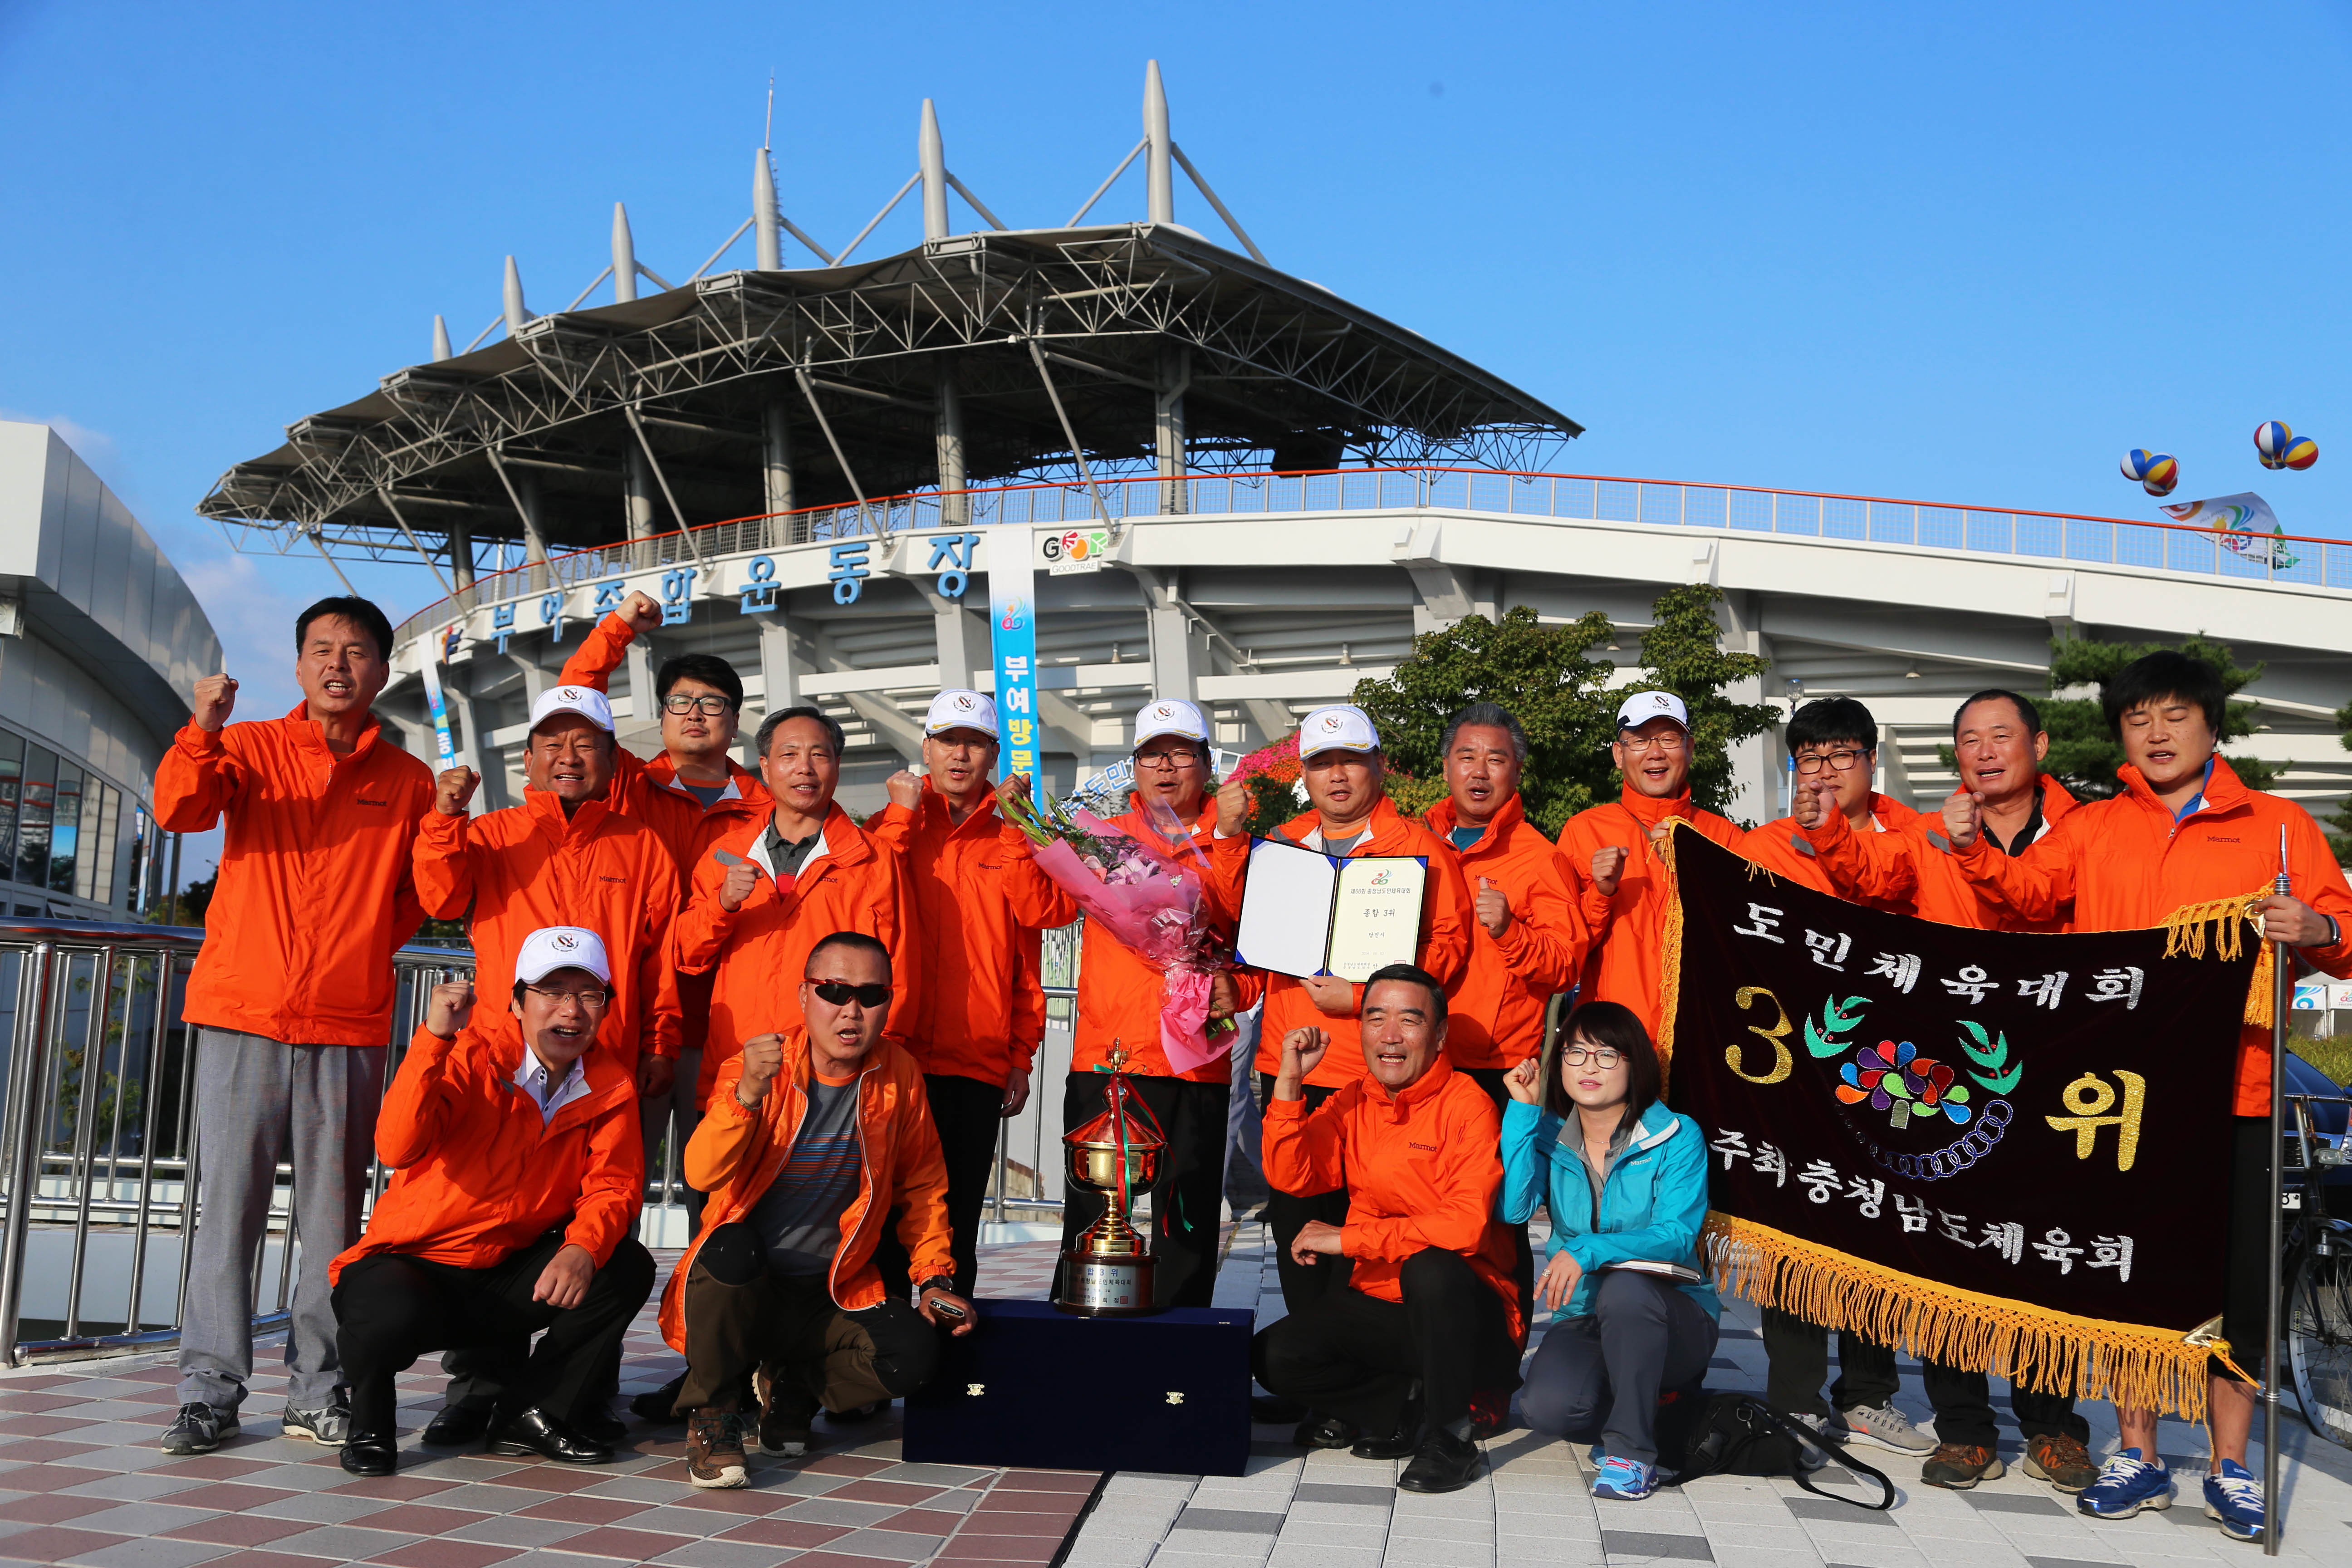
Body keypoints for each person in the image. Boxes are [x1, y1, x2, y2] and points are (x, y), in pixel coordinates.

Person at [1941, 650, 2352, 1541]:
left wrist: (2314, 927)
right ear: (2122, 731)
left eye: (2175, 716)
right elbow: (2028, 898)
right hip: (2120, 1102)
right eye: (2140, 719)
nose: (2157, 733)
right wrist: (1975, 850)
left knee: (2236, 1292)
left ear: (2210, 726)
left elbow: (2342, 938)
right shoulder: (2094, 828)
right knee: (2131, 1280)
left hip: (2236, 1095)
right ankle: (2138, 1456)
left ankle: (2233, 1467)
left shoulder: (2278, 828)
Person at [151, 596, 434, 1455]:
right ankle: (210, 1388)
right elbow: (180, 812)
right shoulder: (249, 747)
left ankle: (320, 1387)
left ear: (383, 670)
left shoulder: (409, 779)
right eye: (320, 650)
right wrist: (200, 729)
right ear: (299, 664)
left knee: (333, 1220)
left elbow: (418, 897)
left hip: (345, 1024)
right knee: (227, 1211)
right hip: (243, 1012)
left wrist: (355, 953)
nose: (337, 665)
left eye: (355, 652)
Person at [1792, 690, 2092, 1493]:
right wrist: (1824, 824)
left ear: (2038, 742)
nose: (1984, 752)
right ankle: (1962, 1427)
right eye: (1967, 740)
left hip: (2054, 1076)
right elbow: (1865, 875)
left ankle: (2053, 1425)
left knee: (2039, 1256)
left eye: (2000, 736)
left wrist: (1972, 855)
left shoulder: (2083, 831)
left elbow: (2043, 902)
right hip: (1952, 1081)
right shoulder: (1926, 831)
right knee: (1947, 1245)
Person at [410, 682, 681, 1441]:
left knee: (601, 1219)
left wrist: (659, 1039)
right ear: (527, 757)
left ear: (608, 757)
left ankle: (574, 1388)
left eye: (585, 742)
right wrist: (442, 819)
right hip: (506, 1064)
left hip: (605, 1072)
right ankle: (477, 1387)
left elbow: (659, 960)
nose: (569, 756)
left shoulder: (642, 844)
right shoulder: (491, 834)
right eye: (552, 743)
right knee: (492, 1220)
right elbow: (438, 891)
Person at [330, 928, 656, 1475]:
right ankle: (370, 1426)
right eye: (552, 992)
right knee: (379, 1305)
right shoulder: (467, 1057)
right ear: (516, 1001)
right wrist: (434, 1039)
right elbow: (395, 1146)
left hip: (507, 1271)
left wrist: (582, 1248)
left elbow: (615, 1186)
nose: (571, 1010)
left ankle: (530, 1412)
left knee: (623, 1265)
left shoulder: (610, 1084)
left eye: (589, 994)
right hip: (418, 1263)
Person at [660, 933, 974, 1487]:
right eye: (834, 991)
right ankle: (713, 1414)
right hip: (747, 1285)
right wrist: (748, 1096)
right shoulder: (759, 1066)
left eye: (872, 995)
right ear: (804, 997)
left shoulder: (899, 1074)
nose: (852, 1010)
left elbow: (924, 1186)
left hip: (831, 1290)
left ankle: (793, 1386)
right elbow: (702, 1174)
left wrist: (933, 1279)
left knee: (915, 1355)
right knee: (729, 1247)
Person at [1212, 704, 1473, 1370]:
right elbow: (1252, 949)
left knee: (1372, 1225)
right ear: (1304, 773)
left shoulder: (1418, 846)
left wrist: (1361, 1000)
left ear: (1378, 766)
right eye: (1322, 763)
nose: (1337, 776)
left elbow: (1450, 948)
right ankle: (1320, 1367)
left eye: (1351, 761)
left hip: (1382, 1073)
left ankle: (1383, 1366)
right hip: (1294, 1067)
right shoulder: (1281, 845)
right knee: (1297, 1229)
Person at [1737, 697, 1936, 1460]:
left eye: (1838, 757)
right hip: (1792, 1065)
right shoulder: (1767, 844)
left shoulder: (1916, 838)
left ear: (1869, 761)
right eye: (1807, 760)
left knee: (1874, 1227)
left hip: (1891, 1071)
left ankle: (1866, 1396)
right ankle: (1792, 1395)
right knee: (1792, 1225)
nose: (1821, 773)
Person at [1016, 699, 1254, 1310]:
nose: (1166, 767)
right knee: (1091, 1221)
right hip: (1107, 1057)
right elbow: (1039, 907)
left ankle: (1178, 1366)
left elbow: (1251, 946)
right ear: (1134, 767)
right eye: (1152, 754)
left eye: (1180, 753)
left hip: (1193, 1062)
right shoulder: (1103, 841)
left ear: (1206, 763)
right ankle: (1078, 1349)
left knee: (1188, 1223)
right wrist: (1017, 826)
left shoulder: (1240, 842)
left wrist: (1227, 842)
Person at [1250, 965, 1519, 1495]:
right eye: (1375, 1018)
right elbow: (1293, 1175)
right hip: (1385, 1301)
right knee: (1271, 1356)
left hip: (1470, 1316)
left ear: (1439, 1035)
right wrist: (1288, 1082)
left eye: (1409, 1020)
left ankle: (1450, 1437)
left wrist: (1348, 1239)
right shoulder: (1353, 1098)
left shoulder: (1469, 1105)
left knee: (1433, 1268)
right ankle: (1399, 1407)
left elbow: (1463, 1227)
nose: (1390, 1036)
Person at [554, 590, 773, 1231]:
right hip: (628, 1028)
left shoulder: (767, 809)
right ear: (663, 715)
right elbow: (575, 701)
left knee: (724, 1201)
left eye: (713, 703)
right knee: (609, 1189)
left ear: (735, 722)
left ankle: (706, 1331)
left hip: (726, 1033)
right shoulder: (626, 783)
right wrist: (618, 629)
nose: (696, 714)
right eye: (681, 702)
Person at [866, 691, 1075, 1295]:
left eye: (976, 742)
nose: (961, 754)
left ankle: (947, 1374)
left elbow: (1042, 920)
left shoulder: (1019, 831)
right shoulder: (891, 825)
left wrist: (1019, 1054)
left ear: (994, 755)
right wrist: (900, 819)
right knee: (878, 1216)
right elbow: (867, 904)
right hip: (890, 1050)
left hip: (975, 1057)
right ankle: (874, 1367)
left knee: (955, 1224)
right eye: (948, 741)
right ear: (925, 749)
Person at [1502, 1002, 1718, 1502]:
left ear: (1634, 1063)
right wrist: (1522, 1112)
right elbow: (1515, 1210)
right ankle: (1653, 1405)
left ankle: (1633, 1453)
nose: (1590, 1067)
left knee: (1626, 1288)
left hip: (1670, 1314)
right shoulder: (1550, 1136)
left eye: (1606, 1054)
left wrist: (1589, 1250)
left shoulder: (1676, 1135)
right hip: (1586, 1315)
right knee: (1549, 1410)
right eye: (1576, 1053)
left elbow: (1676, 1234)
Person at [1555, 692, 1744, 1054]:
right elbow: (1565, 953)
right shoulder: (1583, 830)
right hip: (1613, 1042)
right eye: (1640, 740)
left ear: (1690, 749)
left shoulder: (1727, 838)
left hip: (1704, 1040)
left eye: (1669, 739)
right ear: (1618, 754)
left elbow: (1741, 945)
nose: (1655, 752)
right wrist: (1601, 893)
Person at [1421, 702, 1588, 1102]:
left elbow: (1566, 966)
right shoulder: (1416, 847)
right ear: (1446, 768)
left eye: (1496, 760)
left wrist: (1510, 932)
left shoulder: (1542, 858)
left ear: (1517, 772)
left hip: (1497, 1066)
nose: (1479, 771)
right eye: (1467, 757)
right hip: (1416, 1049)